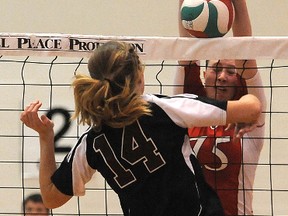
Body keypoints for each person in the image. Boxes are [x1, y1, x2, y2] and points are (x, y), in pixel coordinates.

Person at [20, 40, 261, 216]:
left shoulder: (93, 142)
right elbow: (251, 108)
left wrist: (46, 137)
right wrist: (248, 105)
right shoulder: (162, 110)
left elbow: (51, 197)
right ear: (139, 77)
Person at [176, 0, 266, 215]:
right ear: (204, 74)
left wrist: (239, 4)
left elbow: (247, 56)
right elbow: (185, 52)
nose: (223, 77)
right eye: (216, 69)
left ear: (239, 79)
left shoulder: (250, 120)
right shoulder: (184, 112)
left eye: (231, 71)